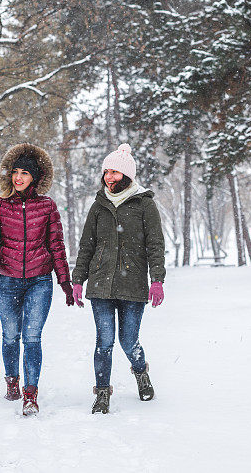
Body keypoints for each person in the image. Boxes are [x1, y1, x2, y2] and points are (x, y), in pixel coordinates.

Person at [71, 143, 166, 414]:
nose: (109, 177)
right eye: (106, 172)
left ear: (127, 175)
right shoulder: (98, 206)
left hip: (133, 285)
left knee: (128, 341)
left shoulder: (144, 205)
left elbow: (155, 244)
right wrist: (79, 279)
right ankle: (102, 393)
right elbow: (87, 245)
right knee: (104, 341)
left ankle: (140, 372)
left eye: (114, 172)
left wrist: (157, 279)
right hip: (100, 285)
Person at [0, 143, 74, 416]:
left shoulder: (47, 206)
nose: (18, 177)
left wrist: (64, 282)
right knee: (11, 336)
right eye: (15, 172)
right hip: (6, 280)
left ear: (35, 177)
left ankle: (30, 395)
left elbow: (57, 245)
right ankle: (12, 381)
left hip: (39, 281)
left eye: (25, 173)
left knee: (32, 338)